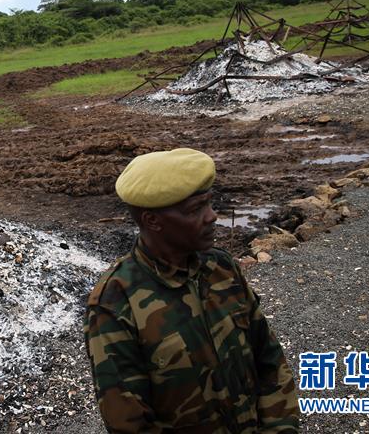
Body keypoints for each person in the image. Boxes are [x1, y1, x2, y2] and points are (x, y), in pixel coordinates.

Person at [84, 148, 299, 433]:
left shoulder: (221, 268)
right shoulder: (115, 302)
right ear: (152, 221)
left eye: (209, 204)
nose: (212, 217)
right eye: (195, 209)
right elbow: (129, 422)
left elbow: (269, 359)